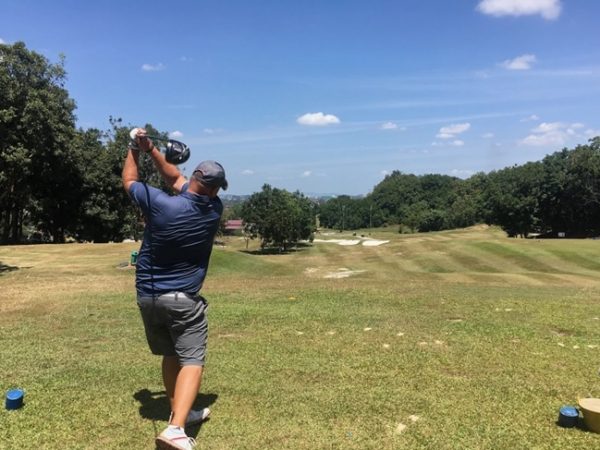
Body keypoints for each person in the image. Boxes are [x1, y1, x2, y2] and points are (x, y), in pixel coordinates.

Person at [122, 128, 228, 450]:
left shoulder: (160, 205)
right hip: (183, 302)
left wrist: (138, 149)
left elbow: (130, 180)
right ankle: (176, 429)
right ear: (213, 190)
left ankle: (180, 411)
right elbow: (175, 179)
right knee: (193, 360)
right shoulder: (214, 209)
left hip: (148, 298)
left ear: (193, 177)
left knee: (171, 355)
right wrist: (151, 148)